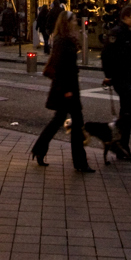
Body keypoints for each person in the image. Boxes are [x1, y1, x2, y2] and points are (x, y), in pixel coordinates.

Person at [31, 12, 94, 172]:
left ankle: (39, 149)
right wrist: (67, 90)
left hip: (67, 87)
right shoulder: (63, 41)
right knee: (76, 124)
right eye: (73, 20)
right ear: (67, 22)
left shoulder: (65, 39)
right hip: (67, 89)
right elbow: (61, 67)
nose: (76, 22)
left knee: (58, 120)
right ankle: (80, 162)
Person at [101, 4, 131, 159]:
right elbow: (107, 55)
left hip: (127, 77)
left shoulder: (130, 33)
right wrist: (109, 75)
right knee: (130, 112)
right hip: (120, 77)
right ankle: (118, 142)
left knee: (127, 112)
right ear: (126, 17)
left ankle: (122, 147)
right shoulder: (118, 33)